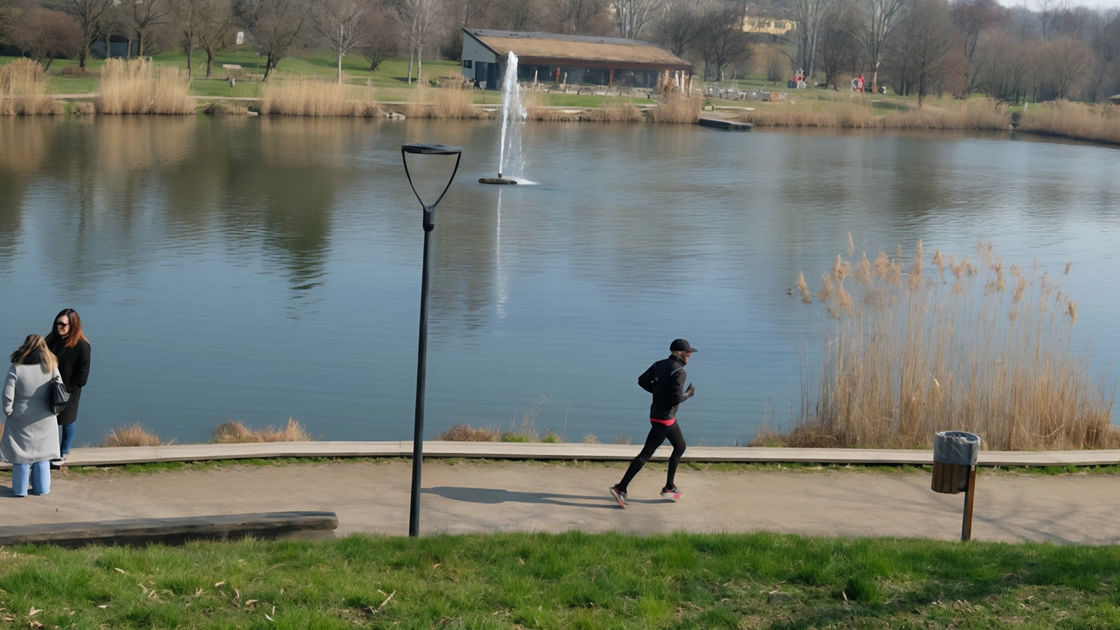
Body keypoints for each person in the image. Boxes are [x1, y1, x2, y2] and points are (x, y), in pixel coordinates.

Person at [610, 339, 697, 508]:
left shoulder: (659, 364)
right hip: (666, 419)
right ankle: (621, 488)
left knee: (679, 447)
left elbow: (642, 380)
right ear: (679, 352)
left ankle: (669, 486)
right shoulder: (679, 372)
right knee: (647, 454)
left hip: (655, 414)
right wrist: (689, 393)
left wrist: (657, 392)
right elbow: (677, 398)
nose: (689, 356)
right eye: (688, 353)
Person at [2, 335, 62, 497]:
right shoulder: (51, 366)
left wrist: (8, 410)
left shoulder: (17, 367)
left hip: (20, 417)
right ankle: (42, 489)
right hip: (45, 416)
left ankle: (20, 490)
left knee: (21, 455)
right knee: (43, 454)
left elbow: (8, 394)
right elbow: (60, 390)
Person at [44, 309, 90, 467]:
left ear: (73, 325)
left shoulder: (82, 346)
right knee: (49, 420)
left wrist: (73, 386)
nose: (59, 327)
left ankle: (64, 451)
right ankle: (50, 450)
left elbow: (83, 371)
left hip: (70, 390)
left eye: (63, 324)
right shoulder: (50, 341)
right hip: (49, 387)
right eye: (58, 323)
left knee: (67, 420)